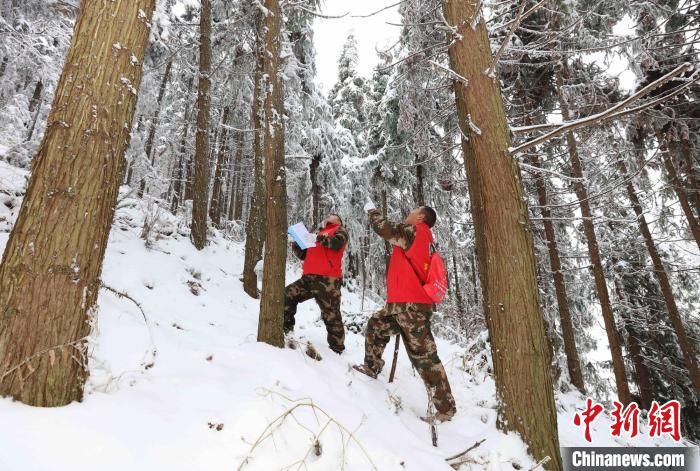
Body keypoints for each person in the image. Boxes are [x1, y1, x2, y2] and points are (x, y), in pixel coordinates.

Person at [353, 202, 457, 423]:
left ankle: (446, 409)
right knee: (377, 325)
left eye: (414, 211)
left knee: (425, 358)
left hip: (412, 308)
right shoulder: (422, 237)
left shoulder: (417, 232)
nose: (409, 212)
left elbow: (387, 230)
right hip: (400, 306)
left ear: (421, 218)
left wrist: (372, 211)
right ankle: (371, 368)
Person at [284, 213, 349, 354]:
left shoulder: (339, 230)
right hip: (308, 278)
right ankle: (286, 330)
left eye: (331, 215)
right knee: (287, 295)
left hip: (328, 279)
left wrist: (318, 238)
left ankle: (337, 348)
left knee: (331, 314)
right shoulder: (318, 234)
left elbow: (336, 244)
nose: (327, 216)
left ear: (338, 220)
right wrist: (296, 243)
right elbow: (304, 255)